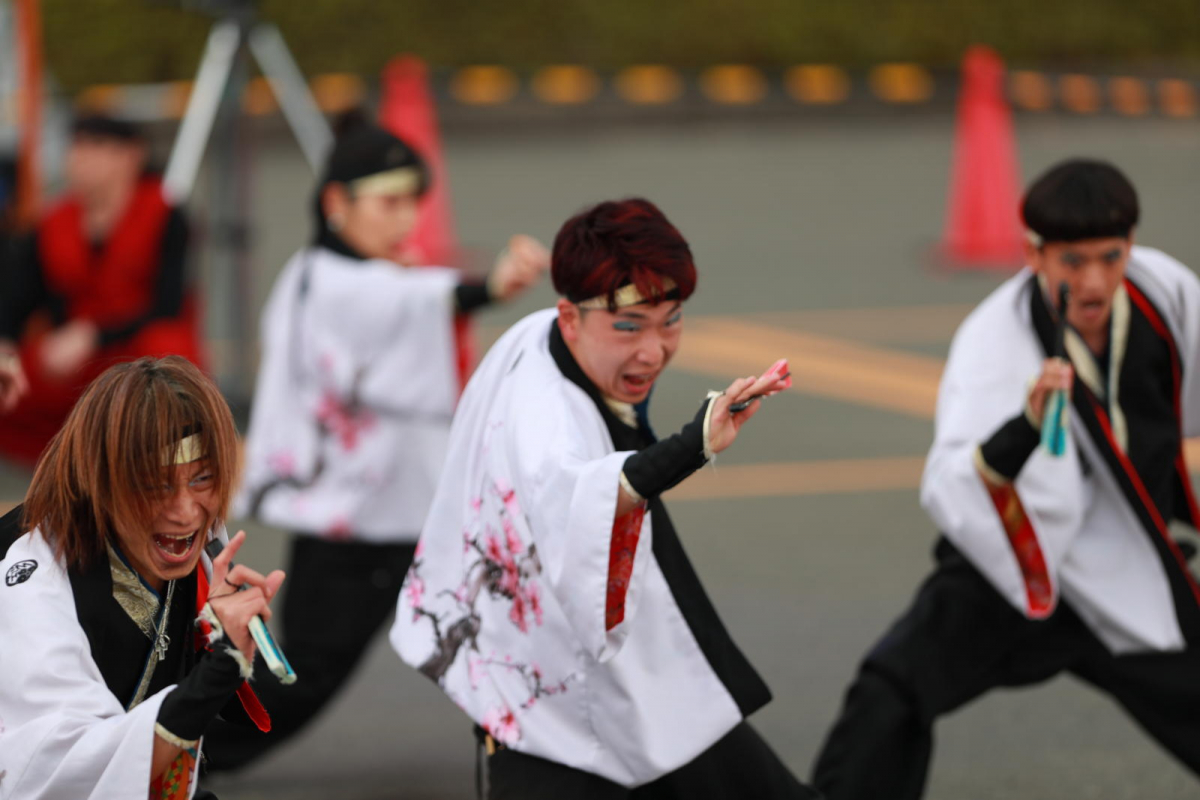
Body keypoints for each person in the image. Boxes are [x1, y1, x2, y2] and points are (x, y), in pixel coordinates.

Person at [391, 198, 815, 798]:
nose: (654, 349)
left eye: (670, 320)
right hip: (544, 693)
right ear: (569, 318)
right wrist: (690, 446)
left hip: (589, 675)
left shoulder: (541, 337)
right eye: (629, 326)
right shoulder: (542, 407)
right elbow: (575, 493)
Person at [811, 159, 1200, 799]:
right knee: (891, 690)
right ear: (1034, 255)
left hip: (1134, 568)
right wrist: (1023, 426)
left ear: (1132, 244)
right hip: (1018, 566)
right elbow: (956, 480)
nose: (1095, 281)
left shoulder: (1167, 294)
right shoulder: (996, 341)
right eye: (1073, 262)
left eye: (1111, 255)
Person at [202, 118, 550, 770]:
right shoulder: (345, 283)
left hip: (407, 513)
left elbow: (406, 298)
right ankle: (166, 753)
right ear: (337, 204)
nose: (406, 219)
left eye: (412, 201)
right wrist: (492, 286)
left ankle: (551, 757)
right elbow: (413, 299)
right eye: (388, 202)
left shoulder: (321, 272)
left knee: (510, 632)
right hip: (363, 524)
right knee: (299, 681)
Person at [0, 356, 284, 799]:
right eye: (155, 485)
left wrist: (217, 632)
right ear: (103, 480)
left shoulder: (197, 542)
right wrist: (219, 667)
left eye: (203, 477)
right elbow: (57, 766)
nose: (186, 510)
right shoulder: (35, 575)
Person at [0, 115, 203, 465]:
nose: (81, 158)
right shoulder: (54, 221)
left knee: (168, 355)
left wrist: (94, 334)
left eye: (96, 147)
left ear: (131, 156)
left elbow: (167, 305)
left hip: (139, 351)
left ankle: (163, 463)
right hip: (72, 362)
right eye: (76, 146)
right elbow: (19, 298)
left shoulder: (165, 214)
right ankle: (66, 466)